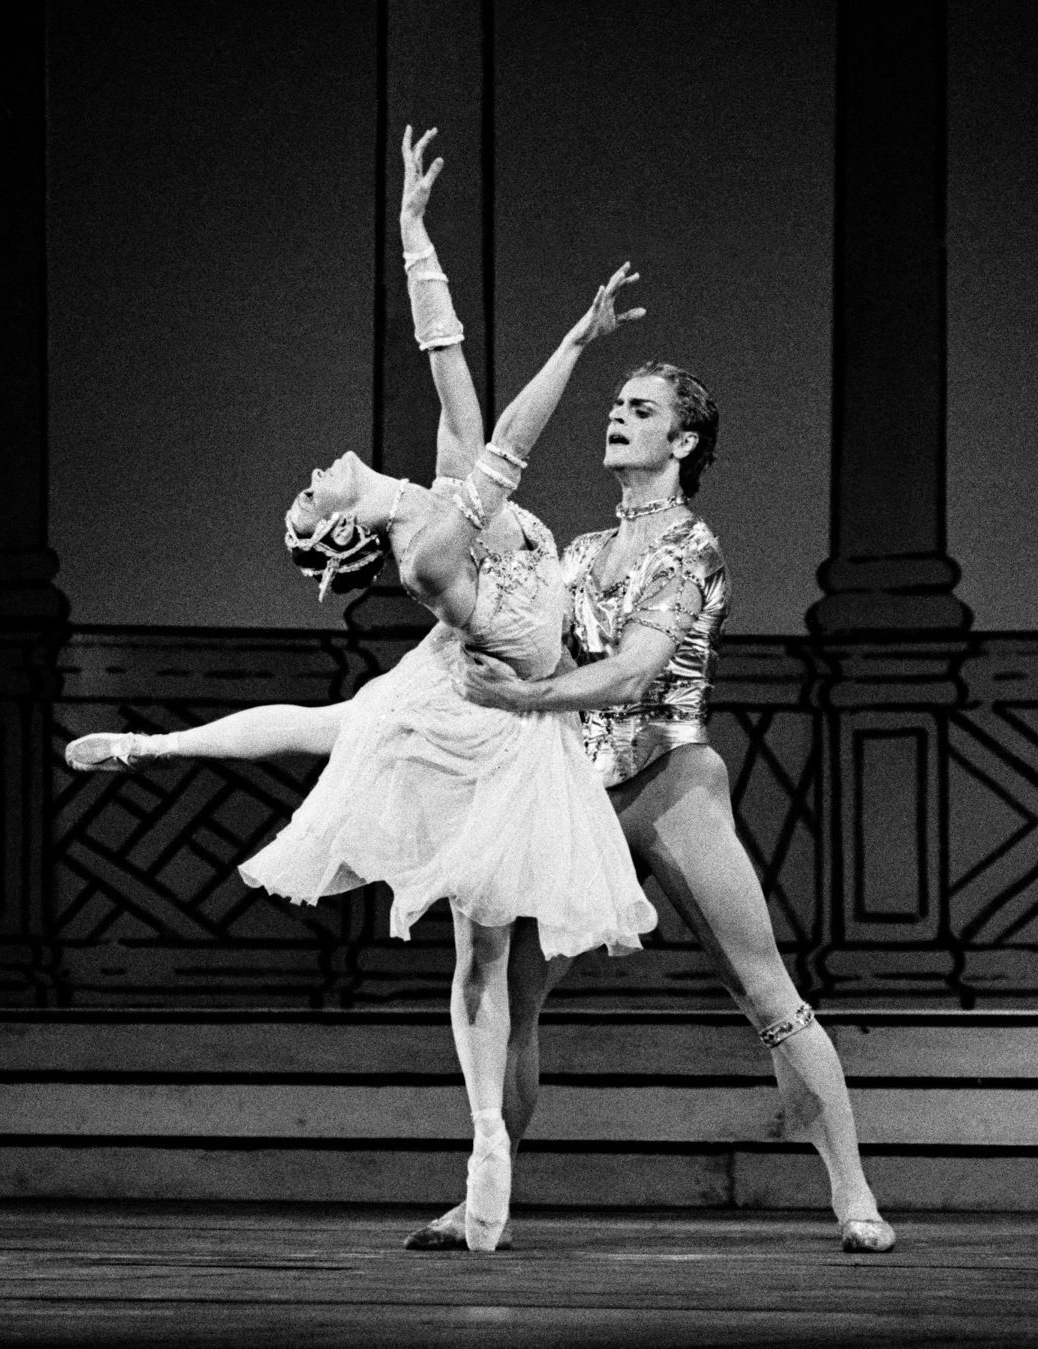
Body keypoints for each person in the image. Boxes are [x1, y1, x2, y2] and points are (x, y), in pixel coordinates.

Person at [63, 127, 656, 1254]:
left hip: (492, 698)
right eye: (312, 492)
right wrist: (578, 337)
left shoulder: (436, 499)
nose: (319, 467)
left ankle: (488, 1140)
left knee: (372, 783)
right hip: (490, 712)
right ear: (346, 526)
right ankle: (486, 1137)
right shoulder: (435, 542)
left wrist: (412, 231)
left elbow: (449, 366)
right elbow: (512, 435)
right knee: (453, 909)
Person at [413, 360, 898, 1256]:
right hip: (582, 790)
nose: (617, 418)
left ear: (681, 441)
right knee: (514, 995)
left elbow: (637, 669)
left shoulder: (691, 548)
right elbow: (527, 622)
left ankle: (855, 1197)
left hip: (672, 781)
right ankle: (486, 1199)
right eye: (615, 406)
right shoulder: (584, 550)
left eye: (641, 410)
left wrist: (523, 699)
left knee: (768, 993)